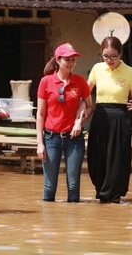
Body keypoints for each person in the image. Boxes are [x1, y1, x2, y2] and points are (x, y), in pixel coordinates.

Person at [36, 42, 93, 202]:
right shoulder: (46, 82)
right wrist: (40, 143)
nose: (71, 63)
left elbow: (89, 106)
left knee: (74, 185)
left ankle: (72, 225)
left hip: (74, 140)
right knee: (49, 186)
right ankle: (49, 225)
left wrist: (78, 122)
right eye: (67, 59)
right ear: (58, 60)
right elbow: (40, 114)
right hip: (50, 138)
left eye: (73, 59)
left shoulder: (80, 82)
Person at [87, 36, 132, 203]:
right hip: (100, 115)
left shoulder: (130, 71)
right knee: (97, 154)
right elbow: (86, 91)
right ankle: (101, 189)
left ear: (120, 53)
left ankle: (114, 193)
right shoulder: (97, 68)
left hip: (120, 117)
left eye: (113, 56)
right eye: (105, 56)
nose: (109, 60)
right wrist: (83, 110)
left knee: (117, 156)